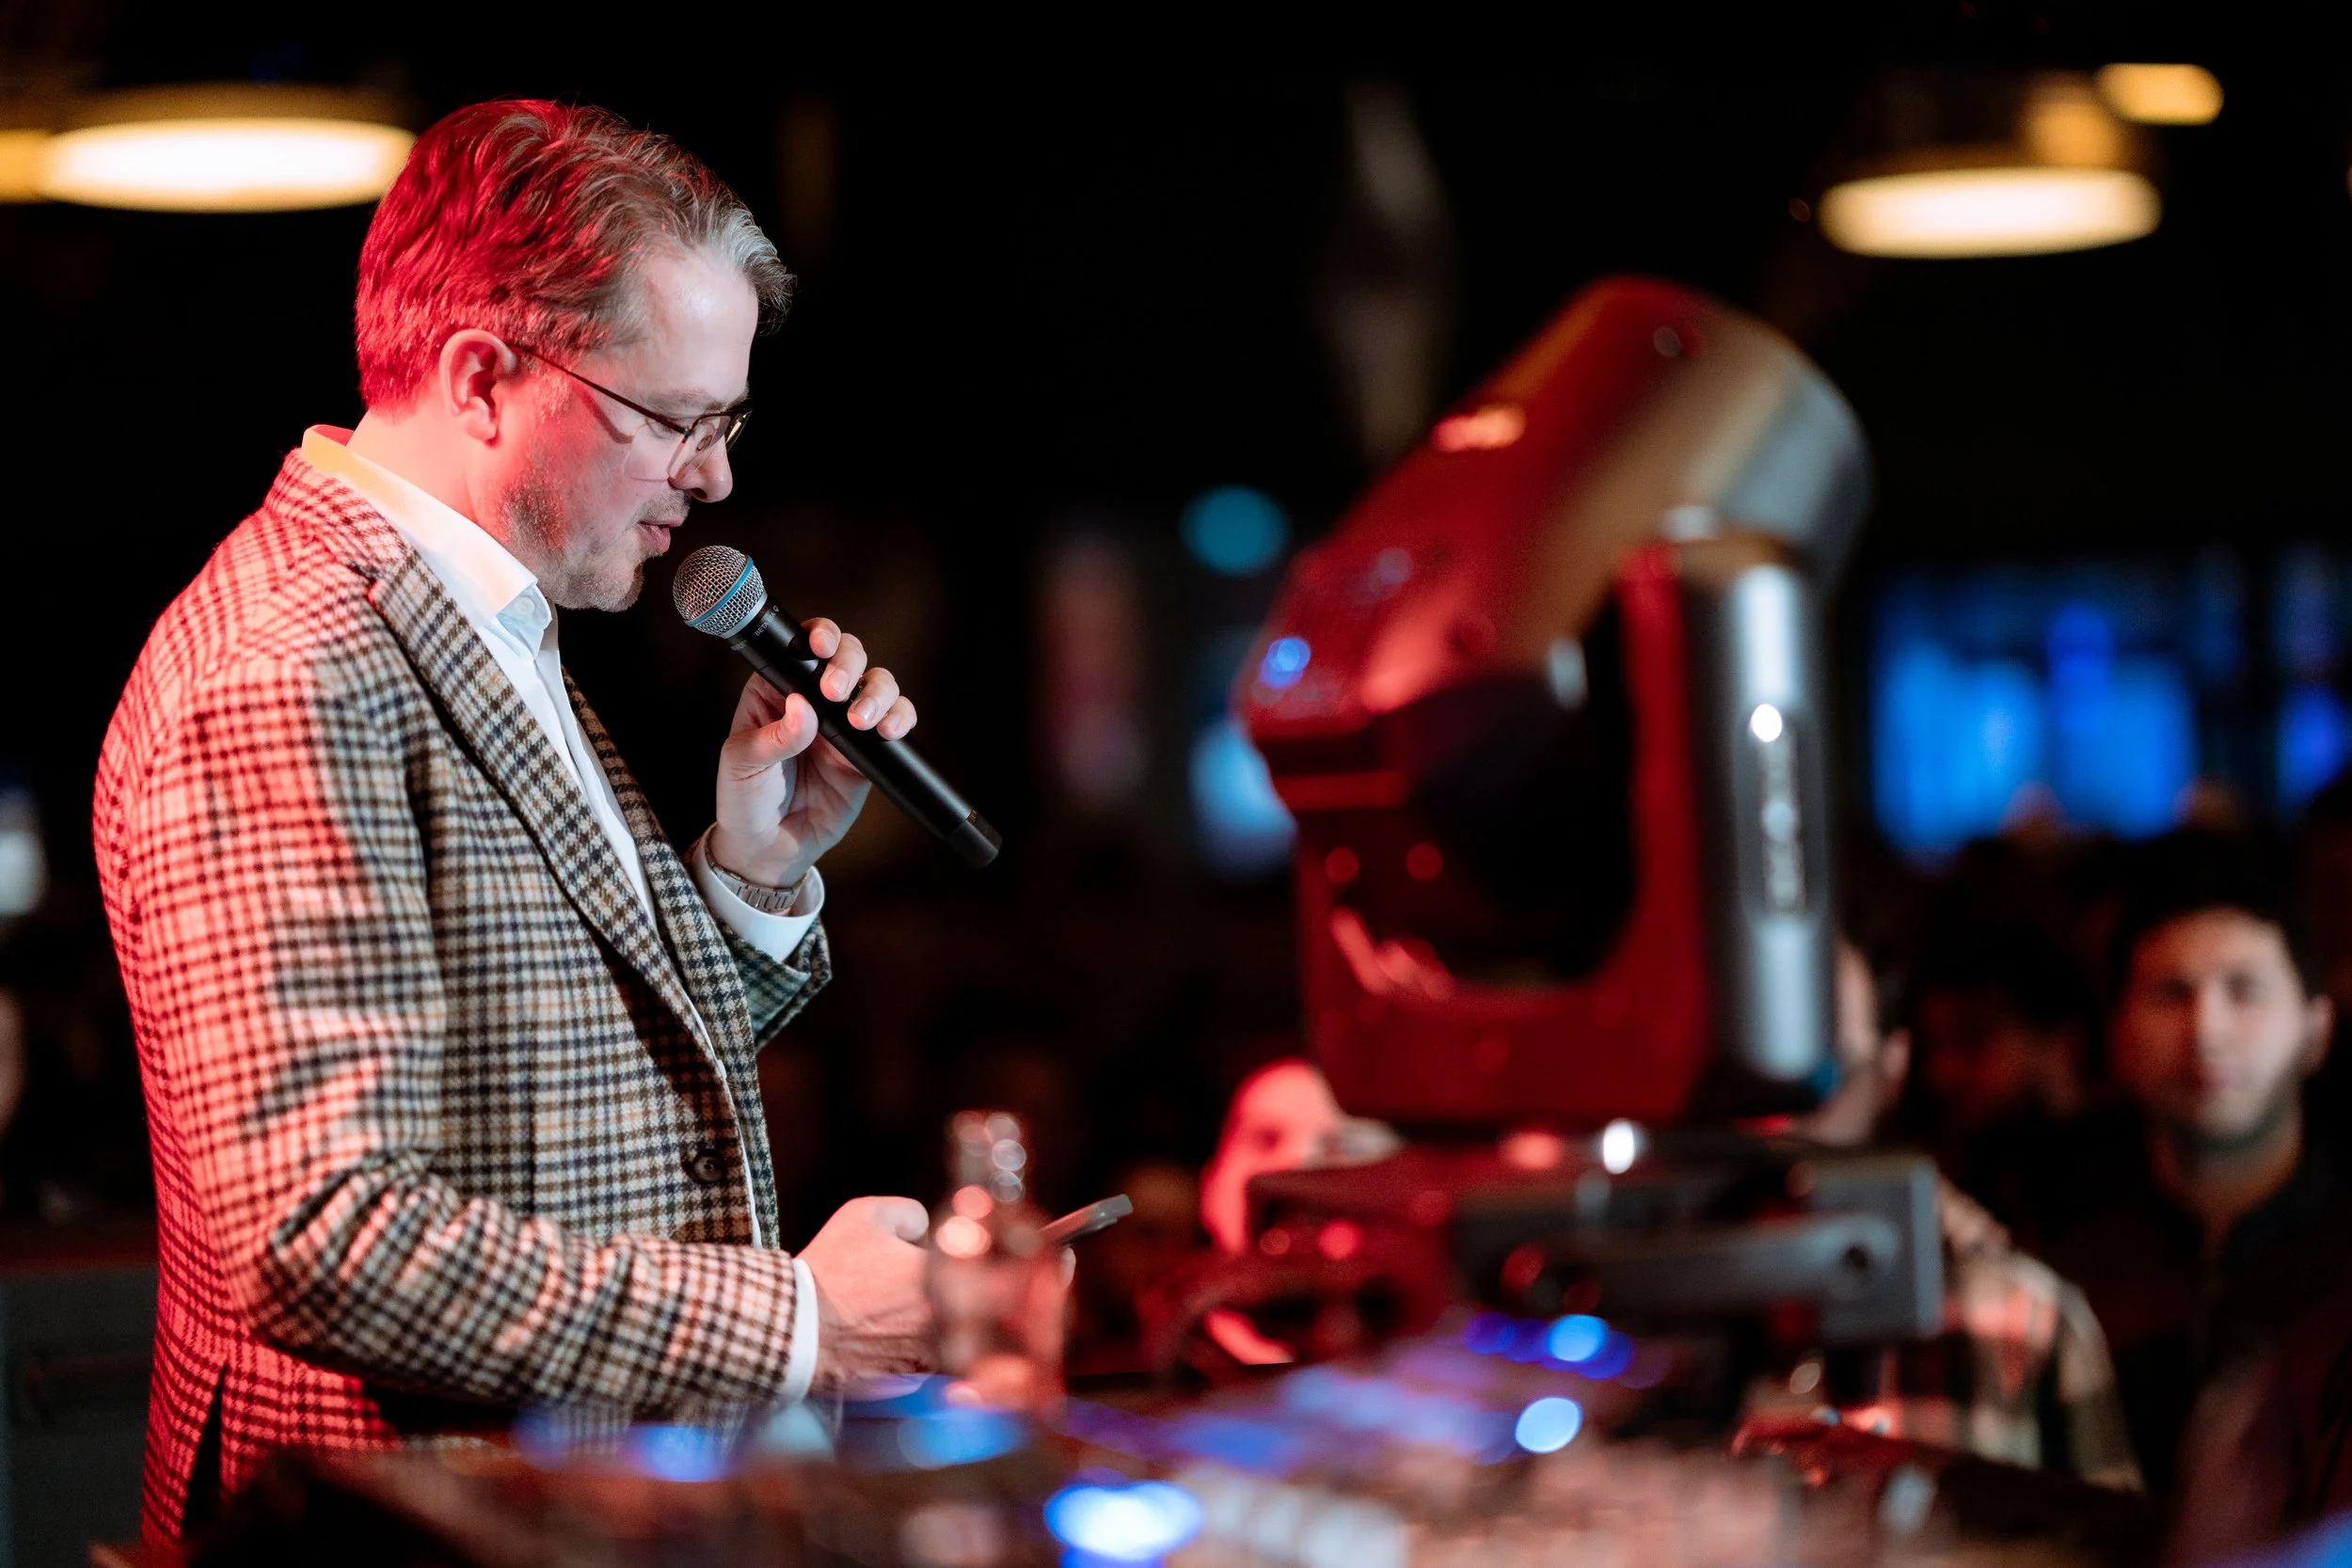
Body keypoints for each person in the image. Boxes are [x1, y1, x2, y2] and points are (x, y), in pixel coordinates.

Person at [93, 101, 940, 1541]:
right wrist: (795, 1319)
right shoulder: (287, 668)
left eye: (726, 420)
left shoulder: (481, 607)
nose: (717, 476)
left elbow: (553, 1086)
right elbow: (321, 1235)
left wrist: (748, 875)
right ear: (483, 378)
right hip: (393, 1528)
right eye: (679, 420)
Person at [1741, 942, 2140, 1488]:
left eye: (1821, 1069)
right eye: (1742, 1067)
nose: (1777, 1112)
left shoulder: (2015, 1314)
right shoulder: (1623, 1312)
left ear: (1891, 1064)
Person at [2039, 831, 2351, 1500]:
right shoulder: (2063, 1269)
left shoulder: (2343, 1266)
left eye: (2244, 990)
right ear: (2117, 1036)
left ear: (2316, 1029)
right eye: (2171, 992)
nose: (2205, 1029)